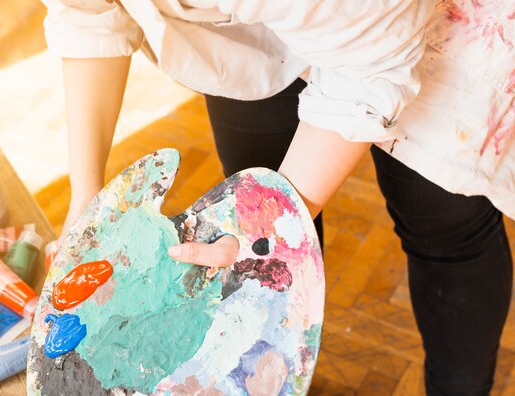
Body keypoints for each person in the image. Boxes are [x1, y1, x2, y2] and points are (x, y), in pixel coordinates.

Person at [40, 1, 514, 394]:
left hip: (422, 30)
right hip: (251, 27)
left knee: (443, 232)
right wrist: (86, 196)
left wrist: (261, 232)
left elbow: (369, 67)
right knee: (259, 231)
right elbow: (87, 14)